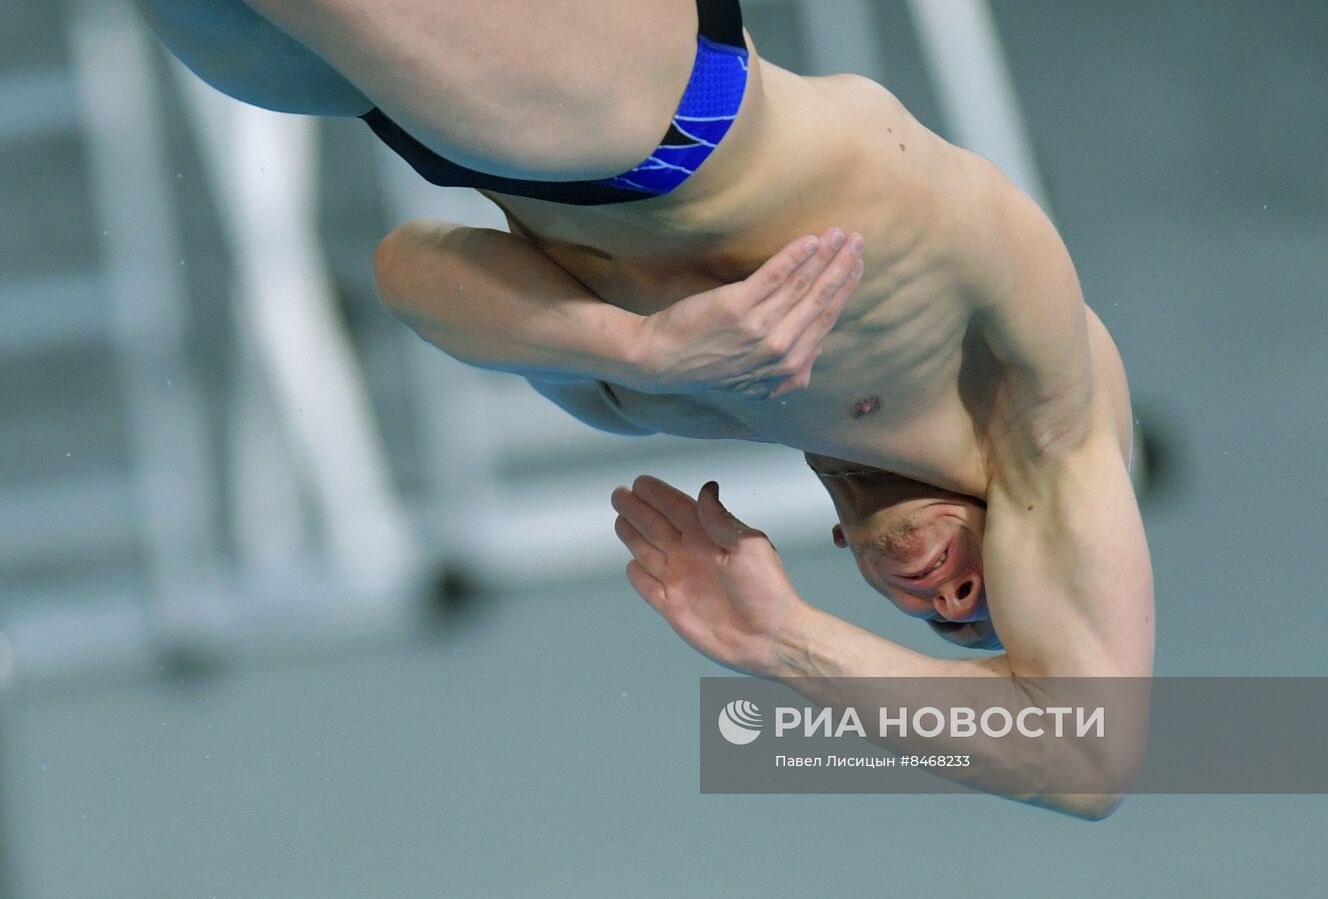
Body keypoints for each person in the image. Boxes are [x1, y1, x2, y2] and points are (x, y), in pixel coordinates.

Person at [138, 0, 1153, 816]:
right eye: (983, 601)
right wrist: (790, 644)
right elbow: (1084, 760)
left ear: (845, 550)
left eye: (940, 623)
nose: (946, 595)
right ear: (1025, 532)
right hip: (644, 102)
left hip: (395, 114)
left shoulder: (678, 395)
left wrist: (640, 345)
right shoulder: (1030, 404)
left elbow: (406, 270)